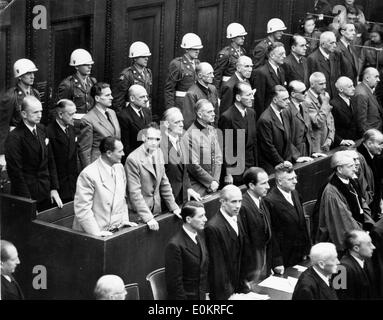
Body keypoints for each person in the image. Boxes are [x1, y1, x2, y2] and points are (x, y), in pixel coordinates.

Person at [4, 96, 62, 212]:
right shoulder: (14, 137)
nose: (40, 115)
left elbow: (50, 160)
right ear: (24, 114)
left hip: (45, 192)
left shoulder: (42, 129)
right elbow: (16, 174)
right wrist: (28, 203)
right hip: (26, 195)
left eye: (40, 111)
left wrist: (54, 188)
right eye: (35, 112)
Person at [73, 136, 137, 236]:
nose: (123, 154)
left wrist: (124, 221)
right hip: (94, 234)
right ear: (109, 153)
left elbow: (122, 199)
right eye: (120, 151)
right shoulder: (88, 174)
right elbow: (83, 209)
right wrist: (96, 233)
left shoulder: (119, 168)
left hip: (115, 231)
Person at [125, 122, 181, 231]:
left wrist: (174, 207)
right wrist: (148, 217)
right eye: (150, 139)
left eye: (157, 139)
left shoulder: (159, 153)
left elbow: (164, 183)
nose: (154, 143)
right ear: (144, 137)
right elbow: (134, 192)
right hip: (139, 215)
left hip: (156, 211)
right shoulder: (133, 159)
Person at [316, 151, 374, 252]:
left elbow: (362, 203)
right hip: (350, 239)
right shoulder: (332, 192)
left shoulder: (351, 181)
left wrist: (369, 224)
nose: (354, 168)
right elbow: (344, 220)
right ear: (339, 169)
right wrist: (362, 235)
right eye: (350, 166)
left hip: (360, 227)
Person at [263, 161, 311, 271]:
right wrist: (277, 261)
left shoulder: (294, 193)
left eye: (295, 177)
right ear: (279, 181)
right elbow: (272, 234)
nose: (296, 181)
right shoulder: (270, 201)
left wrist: (307, 249)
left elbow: (302, 223)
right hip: (285, 257)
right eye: (290, 179)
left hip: (301, 253)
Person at [205, 185, 246, 300]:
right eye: (234, 202)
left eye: (240, 201)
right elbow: (217, 266)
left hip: (239, 287)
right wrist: (228, 294)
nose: (238, 206)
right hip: (224, 293)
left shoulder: (237, 218)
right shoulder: (213, 228)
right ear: (222, 202)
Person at [165, 201, 209, 300]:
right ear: (188, 219)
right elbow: (175, 287)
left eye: (204, 215)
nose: (205, 219)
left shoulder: (200, 236)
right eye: (201, 216)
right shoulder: (175, 246)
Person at [0, 58, 40, 168]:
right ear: (20, 76)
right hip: (17, 141)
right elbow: (3, 126)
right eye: (28, 73)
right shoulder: (11, 96)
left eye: (33, 73)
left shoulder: (35, 93)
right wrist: (2, 153)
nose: (32, 76)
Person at [218, 82, 257, 185]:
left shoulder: (251, 113)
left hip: (250, 165)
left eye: (252, 94)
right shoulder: (227, 117)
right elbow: (225, 147)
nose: (252, 98)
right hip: (236, 168)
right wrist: (228, 173)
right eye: (248, 95)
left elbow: (254, 141)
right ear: (238, 97)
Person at [160, 107, 201, 204]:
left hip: (183, 195)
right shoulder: (159, 144)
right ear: (166, 124)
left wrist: (189, 188)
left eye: (182, 121)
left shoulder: (182, 138)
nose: (181, 125)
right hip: (167, 199)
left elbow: (184, 169)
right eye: (177, 122)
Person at [183, 99, 222, 196]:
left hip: (214, 185)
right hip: (198, 187)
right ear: (200, 115)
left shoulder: (212, 130)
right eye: (209, 112)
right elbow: (193, 165)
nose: (213, 114)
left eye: (213, 111)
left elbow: (218, 157)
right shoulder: (189, 135)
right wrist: (210, 182)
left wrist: (216, 181)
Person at [78, 82, 121, 169]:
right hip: (98, 164)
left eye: (111, 95)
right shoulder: (87, 119)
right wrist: (90, 172)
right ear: (97, 98)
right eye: (107, 95)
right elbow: (85, 151)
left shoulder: (112, 113)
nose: (111, 97)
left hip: (114, 163)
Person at [240, 167, 272, 281]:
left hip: (264, 264)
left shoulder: (261, 200)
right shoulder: (243, 206)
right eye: (263, 183)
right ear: (252, 186)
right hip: (251, 269)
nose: (268, 186)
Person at [257, 85, 295, 174]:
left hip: (286, 163)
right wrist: (282, 162)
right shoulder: (265, 119)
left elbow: (288, 140)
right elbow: (268, 147)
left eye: (288, 98)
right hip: (272, 166)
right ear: (275, 100)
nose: (288, 102)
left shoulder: (285, 112)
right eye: (284, 99)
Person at [46, 99, 78, 203]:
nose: (74, 117)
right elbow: (50, 163)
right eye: (71, 114)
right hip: (59, 186)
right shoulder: (49, 132)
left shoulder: (71, 128)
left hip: (72, 184)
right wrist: (53, 187)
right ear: (60, 114)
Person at [164, 33, 203, 109]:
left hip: (196, 102)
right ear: (187, 49)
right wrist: (171, 109)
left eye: (198, 49)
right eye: (195, 49)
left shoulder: (197, 63)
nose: (198, 51)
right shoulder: (177, 64)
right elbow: (169, 89)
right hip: (182, 103)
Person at [336, 230, 377, 299]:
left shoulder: (367, 260)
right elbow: (341, 296)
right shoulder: (342, 268)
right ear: (356, 248)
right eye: (369, 244)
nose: (373, 247)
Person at [112, 41, 152, 111]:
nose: (146, 58)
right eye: (143, 56)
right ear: (135, 58)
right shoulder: (127, 75)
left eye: (147, 56)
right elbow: (118, 100)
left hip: (145, 111)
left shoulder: (148, 73)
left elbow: (149, 96)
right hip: (131, 113)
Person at [56, 48, 97, 117]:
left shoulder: (92, 81)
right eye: (85, 64)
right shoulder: (68, 84)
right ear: (77, 66)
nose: (90, 66)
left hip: (90, 120)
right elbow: (59, 108)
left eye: (90, 64)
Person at [116, 84, 152, 161]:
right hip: (135, 159)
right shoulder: (123, 116)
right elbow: (126, 145)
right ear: (132, 98)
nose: (146, 99)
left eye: (146, 96)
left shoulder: (147, 112)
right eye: (142, 97)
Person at [302, 72, 335, 153]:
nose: (325, 87)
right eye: (321, 84)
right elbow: (317, 122)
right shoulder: (306, 100)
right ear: (312, 84)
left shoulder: (322, 95)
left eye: (325, 83)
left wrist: (330, 138)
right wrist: (325, 103)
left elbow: (330, 118)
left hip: (327, 143)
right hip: (316, 147)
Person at [253, 42, 287, 116]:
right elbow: (259, 100)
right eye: (281, 54)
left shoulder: (281, 71)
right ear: (272, 55)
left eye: (284, 53)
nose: (284, 56)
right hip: (267, 116)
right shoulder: (262, 73)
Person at [356, 129, 383, 221]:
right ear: (369, 143)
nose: (382, 147)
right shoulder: (359, 159)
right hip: (368, 210)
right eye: (380, 144)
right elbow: (362, 188)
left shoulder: (374, 156)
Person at [183, 62, 219, 128]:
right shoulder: (191, 94)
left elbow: (216, 114)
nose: (213, 76)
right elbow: (189, 121)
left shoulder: (213, 89)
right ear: (200, 76)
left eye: (213, 73)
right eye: (209, 73)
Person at [213, 22, 247, 90]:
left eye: (243, 36)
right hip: (228, 86)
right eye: (240, 36)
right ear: (233, 38)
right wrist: (216, 93)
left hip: (240, 84)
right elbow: (217, 75)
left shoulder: (243, 51)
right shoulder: (225, 54)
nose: (243, 38)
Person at [307, 31, 341, 98]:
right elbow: (311, 82)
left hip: (334, 96)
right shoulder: (312, 59)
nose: (335, 45)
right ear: (323, 45)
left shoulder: (335, 55)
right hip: (321, 97)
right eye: (331, 43)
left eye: (335, 42)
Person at [286, 80, 314, 159]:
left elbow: (310, 131)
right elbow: (286, 138)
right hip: (295, 154)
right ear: (293, 94)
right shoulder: (287, 110)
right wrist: (296, 156)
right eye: (303, 92)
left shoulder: (304, 105)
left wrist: (313, 151)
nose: (306, 93)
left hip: (308, 151)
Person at [330, 77, 360, 146]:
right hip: (342, 145)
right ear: (341, 89)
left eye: (353, 85)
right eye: (350, 87)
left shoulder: (353, 101)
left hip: (354, 141)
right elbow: (331, 128)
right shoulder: (333, 104)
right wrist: (341, 141)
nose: (354, 88)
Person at [353, 67, 383, 134]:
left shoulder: (367, 89)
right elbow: (361, 123)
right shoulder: (361, 94)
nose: (379, 80)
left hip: (377, 130)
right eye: (376, 77)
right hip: (372, 134)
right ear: (367, 78)